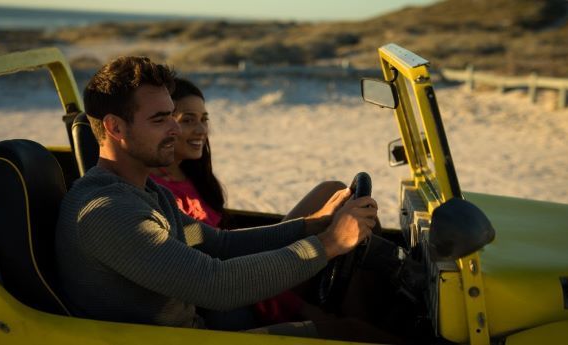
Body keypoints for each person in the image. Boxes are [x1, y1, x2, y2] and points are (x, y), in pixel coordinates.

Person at [55, 56, 383, 340]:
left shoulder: (146, 192)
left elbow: (216, 244)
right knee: (355, 334)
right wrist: (328, 244)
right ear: (115, 128)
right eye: (159, 119)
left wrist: (311, 225)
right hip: (184, 337)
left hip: (205, 324)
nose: (175, 128)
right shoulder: (109, 213)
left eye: (172, 115)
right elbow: (216, 284)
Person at [149, 77, 346, 326]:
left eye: (204, 119)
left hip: (241, 266)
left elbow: (224, 239)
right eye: (188, 120)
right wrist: (303, 308)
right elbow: (214, 261)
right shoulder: (157, 192)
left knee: (339, 196)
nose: (201, 130)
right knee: (333, 195)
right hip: (233, 286)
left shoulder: (191, 175)